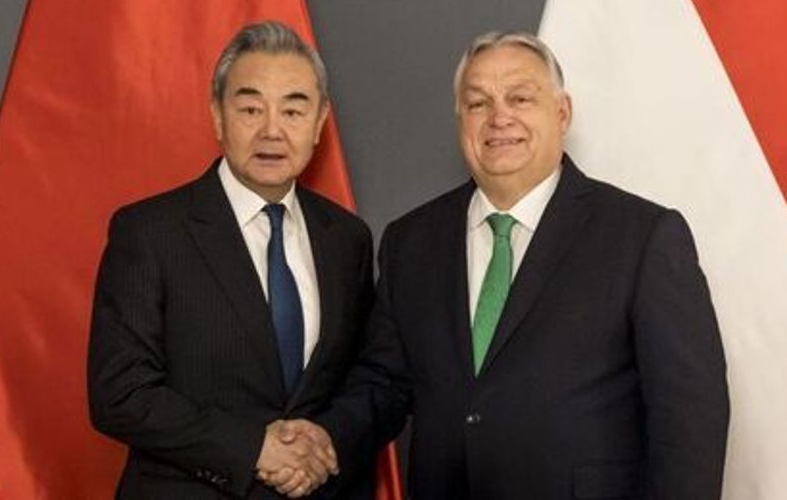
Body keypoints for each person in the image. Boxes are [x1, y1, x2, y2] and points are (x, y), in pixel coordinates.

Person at [294, 31, 730, 499]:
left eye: (520, 98)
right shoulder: (411, 242)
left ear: (562, 113)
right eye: (478, 103)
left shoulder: (642, 236)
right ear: (460, 119)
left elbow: (691, 417)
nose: (499, 117)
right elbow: (385, 382)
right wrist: (324, 439)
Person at [88, 21, 374, 499]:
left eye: (293, 110)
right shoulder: (150, 232)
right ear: (218, 116)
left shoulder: (347, 238)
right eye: (250, 109)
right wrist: (251, 449)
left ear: (320, 121)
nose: (271, 130)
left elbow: (366, 375)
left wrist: (325, 440)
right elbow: (121, 392)